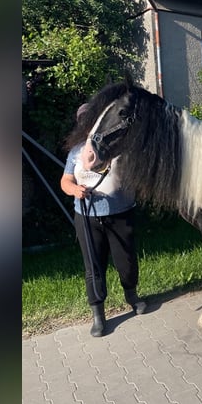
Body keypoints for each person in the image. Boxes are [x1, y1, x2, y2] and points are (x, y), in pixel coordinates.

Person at [60, 104, 146, 337]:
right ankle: (98, 315)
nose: (87, 124)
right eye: (83, 120)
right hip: (87, 216)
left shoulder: (119, 147)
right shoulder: (76, 151)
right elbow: (65, 181)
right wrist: (75, 190)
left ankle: (132, 296)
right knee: (93, 267)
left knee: (126, 261)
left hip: (120, 214)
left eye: (91, 119)